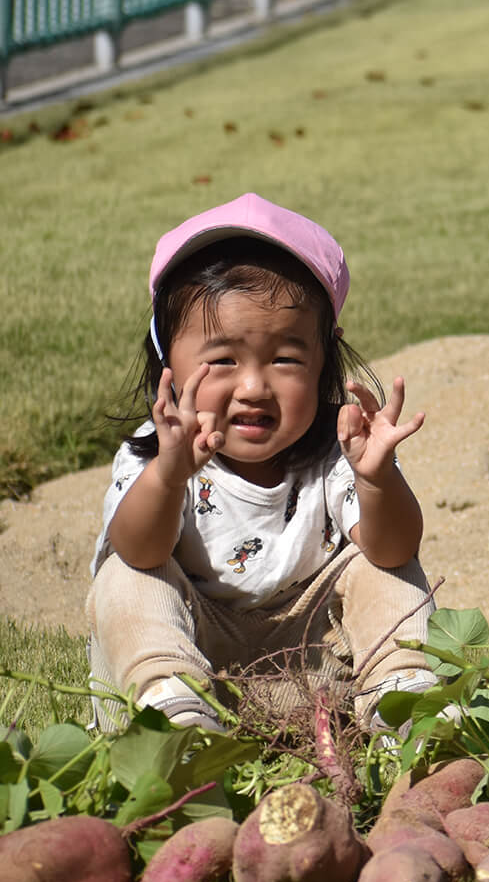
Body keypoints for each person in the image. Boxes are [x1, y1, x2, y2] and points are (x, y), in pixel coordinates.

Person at [87, 193, 439, 732]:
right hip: (193, 654)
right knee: (127, 577)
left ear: (325, 359)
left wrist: (376, 478)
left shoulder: (337, 444)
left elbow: (395, 548)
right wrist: (169, 474)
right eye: (223, 360)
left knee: (385, 568)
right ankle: (172, 720)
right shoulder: (159, 450)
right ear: (168, 363)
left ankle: (404, 704)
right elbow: (140, 548)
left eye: (285, 359)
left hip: (325, 663)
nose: (253, 387)